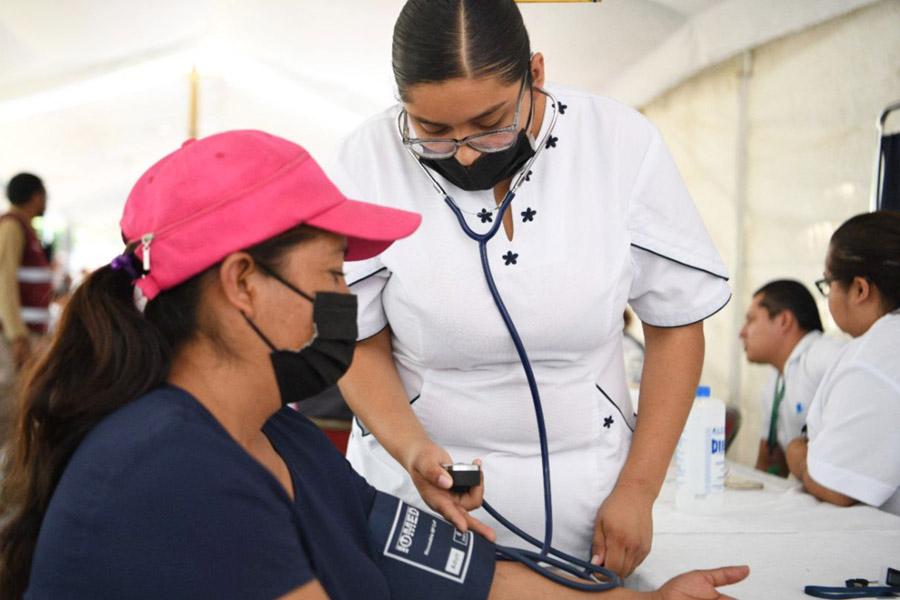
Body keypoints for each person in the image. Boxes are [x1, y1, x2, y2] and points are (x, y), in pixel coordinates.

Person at [0, 130, 749, 600]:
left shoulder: (277, 437)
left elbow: (459, 575)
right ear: (242, 284)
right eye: (332, 277)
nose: (347, 307)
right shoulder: (168, 469)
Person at [332, 0, 731, 577]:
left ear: (535, 74)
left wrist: (639, 490)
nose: (465, 151)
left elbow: (675, 324)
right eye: (434, 131)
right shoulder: (362, 162)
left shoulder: (619, 144)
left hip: (589, 501)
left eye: (490, 123)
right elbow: (356, 337)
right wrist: (412, 451)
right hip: (418, 497)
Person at [786, 211, 900, 515]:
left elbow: (836, 486)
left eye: (828, 283)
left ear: (860, 290)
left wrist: (797, 454)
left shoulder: (874, 358)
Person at [738, 280, 844, 476]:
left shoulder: (825, 355)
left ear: (784, 321)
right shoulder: (775, 383)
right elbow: (769, 467)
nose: (741, 333)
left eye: (751, 320)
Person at [0, 173, 51, 445]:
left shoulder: (23, 228)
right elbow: (3, 280)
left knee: (19, 409)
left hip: (23, 336)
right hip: (13, 339)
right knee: (8, 409)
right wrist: (16, 333)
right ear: (35, 196)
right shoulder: (12, 227)